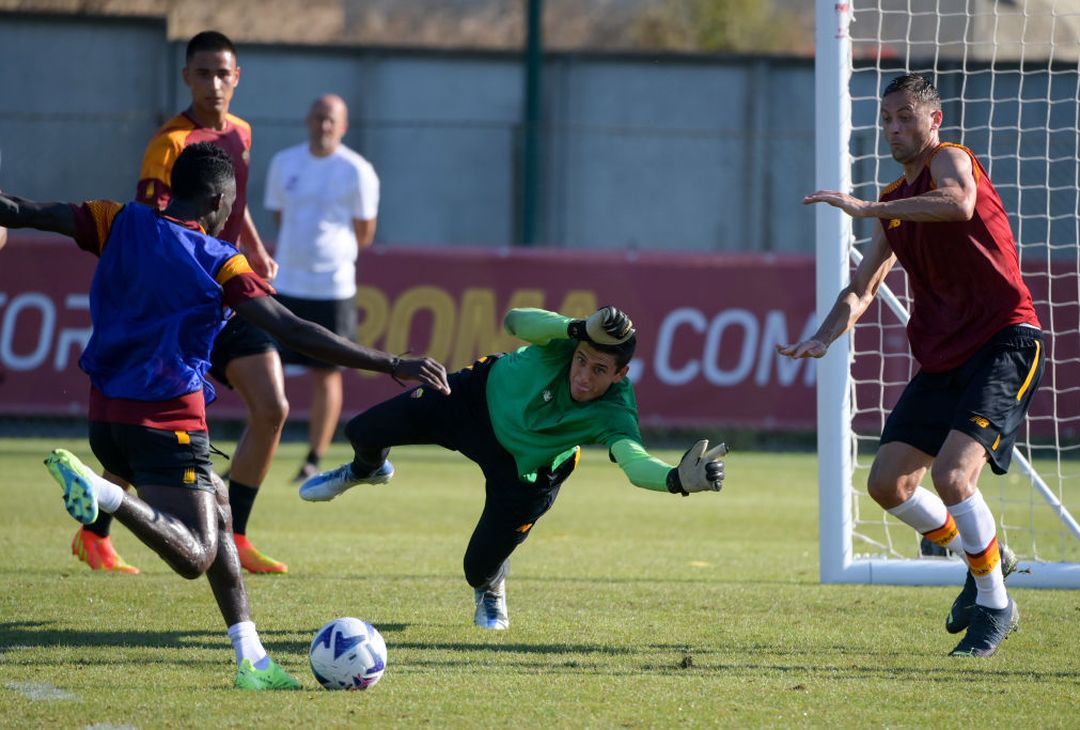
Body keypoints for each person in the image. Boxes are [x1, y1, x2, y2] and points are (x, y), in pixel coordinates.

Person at [0, 142, 449, 688]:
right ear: (217, 199)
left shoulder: (116, 220)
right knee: (195, 553)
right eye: (231, 203)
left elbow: (28, 211)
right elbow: (294, 330)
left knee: (218, 502)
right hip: (166, 423)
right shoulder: (218, 260)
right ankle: (104, 494)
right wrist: (391, 362)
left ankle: (252, 658)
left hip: (106, 419)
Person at [778, 73, 1043, 658]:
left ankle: (995, 605)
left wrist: (870, 205)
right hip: (944, 355)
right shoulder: (896, 203)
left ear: (934, 119)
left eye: (905, 117)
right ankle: (982, 559)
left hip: (1004, 340)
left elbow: (959, 203)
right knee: (887, 484)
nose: (895, 129)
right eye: (887, 121)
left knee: (952, 478)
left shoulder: (951, 162)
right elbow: (862, 288)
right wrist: (821, 338)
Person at [299, 305, 728, 630]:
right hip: (471, 401)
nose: (583, 376)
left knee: (475, 569)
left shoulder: (617, 410)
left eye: (599, 370)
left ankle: (492, 584)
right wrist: (575, 328)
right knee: (363, 430)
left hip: (526, 471)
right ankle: (367, 469)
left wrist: (674, 479)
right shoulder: (564, 342)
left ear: (621, 374)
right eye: (582, 360)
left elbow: (634, 462)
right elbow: (514, 321)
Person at [71, 30, 292, 575]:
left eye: (224, 73)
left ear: (237, 77)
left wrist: (257, 249)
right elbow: (156, 231)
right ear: (186, 76)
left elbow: (231, 205)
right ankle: (95, 530)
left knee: (274, 407)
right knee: (143, 423)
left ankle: (234, 533)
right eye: (203, 73)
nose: (214, 83)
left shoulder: (241, 132)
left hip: (229, 288)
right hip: (185, 303)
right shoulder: (169, 144)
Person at [264, 94, 380, 483]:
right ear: (307, 120)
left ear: (343, 126)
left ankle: (313, 457)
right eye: (318, 118)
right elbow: (280, 216)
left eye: (332, 120)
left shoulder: (357, 170)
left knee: (325, 372)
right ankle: (259, 450)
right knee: (264, 368)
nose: (324, 125)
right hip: (287, 283)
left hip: (332, 286)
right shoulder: (284, 163)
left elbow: (364, 233)